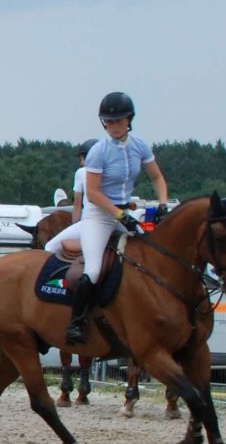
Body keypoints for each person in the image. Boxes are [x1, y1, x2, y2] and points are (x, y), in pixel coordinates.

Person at [43, 92, 169, 345]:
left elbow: (157, 177)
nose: (113, 126)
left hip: (126, 213)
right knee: (92, 268)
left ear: (129, 119)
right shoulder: (98, 151)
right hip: (99, 216)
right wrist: (121, 216)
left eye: (118, 121)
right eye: (108, 122)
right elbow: (93, 193)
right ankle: (75, 323)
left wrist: (163, 203)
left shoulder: (140, 146)